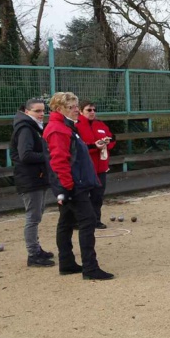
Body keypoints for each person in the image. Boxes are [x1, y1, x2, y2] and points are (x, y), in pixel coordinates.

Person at [43, 92, 114, 280]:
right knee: (87, 221)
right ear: (60, 109)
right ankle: (90, 268)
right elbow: (59, 160)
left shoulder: (65, 127)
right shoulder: (59, 129)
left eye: (76, 106)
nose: (76, 110)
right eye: (72, 107)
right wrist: (67, 186)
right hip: (73, 184)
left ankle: (67, 263)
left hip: (72, 182)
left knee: (66, 222)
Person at [10, 99, 55, 267]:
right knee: (33, 217)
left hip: (36, 177)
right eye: (37, 111)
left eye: (43, 111)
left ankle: (36, 249)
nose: (41, 114)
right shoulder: (26, 129)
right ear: (27, 112)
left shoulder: (32, 128)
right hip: (30, 178)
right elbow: (25, 155)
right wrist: (49, 156)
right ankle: (33, 253)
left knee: (36, 215)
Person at [76, 101, 116, 229]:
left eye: (94, 109)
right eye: (89, 110)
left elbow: (112, 138)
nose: (92, 112)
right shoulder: (76, 126)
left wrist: (106, 144)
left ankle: (95, 220)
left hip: (101, 167)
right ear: (81, 111)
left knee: (97, 196)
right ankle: (80, 221)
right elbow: (77, 146)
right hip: (85, 168)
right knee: (82, 196)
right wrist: (95, 146)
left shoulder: (100, 124)